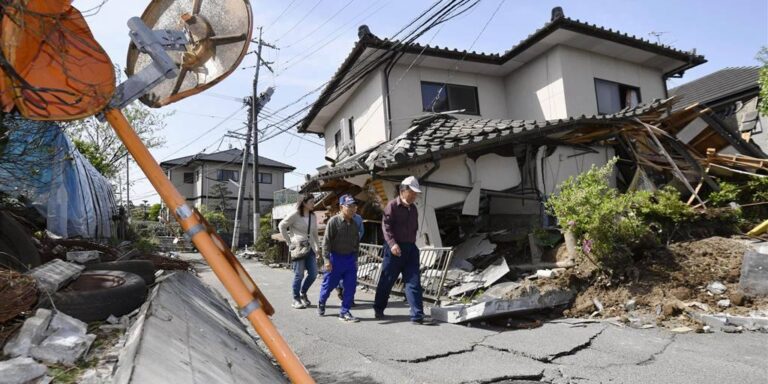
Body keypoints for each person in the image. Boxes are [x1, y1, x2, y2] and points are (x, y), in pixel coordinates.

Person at [374, 176, 434, 325]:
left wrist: (413, 245)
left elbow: (414, 229)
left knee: (414, 282)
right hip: (394, 248)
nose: (414, 196)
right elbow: (386, 227)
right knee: (387, 281)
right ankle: (378, 308)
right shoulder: (392, 206)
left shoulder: (413, 209)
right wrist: (392, 244)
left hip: (410, 249)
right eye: (411, 192)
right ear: (402, 191)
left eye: (416, 193)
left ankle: (417, 316)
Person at [318, 194, 361, 322]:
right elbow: (326, 242)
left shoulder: (355, 224)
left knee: (350, 287)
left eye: (354, 206)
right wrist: (326, 260)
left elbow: (356, 243)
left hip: (350, 259)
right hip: (335, 259)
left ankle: (345, 311)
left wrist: (355, 260)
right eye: (349, 206)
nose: (353, 209)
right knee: (328, 286)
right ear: (342, 207)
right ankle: (321, 302)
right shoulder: (334, 221)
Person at [278, 194, 320, 309]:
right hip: (299, 248)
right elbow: (281, 226)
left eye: (314, 201)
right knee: (299, 274)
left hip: (310, 247)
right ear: (304, 203)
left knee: (313, 273)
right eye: (311, 202)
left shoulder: (313, 216)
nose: (313, 204)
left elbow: (315, 232)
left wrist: (317, 247)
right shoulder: (295, 214)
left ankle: (303, 292)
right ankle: (295, 299)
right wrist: (289, 241)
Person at [336, 213, 364, 303]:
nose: (353, 208)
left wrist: (355, 240)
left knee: (352, 273)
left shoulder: (358, 218)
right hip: (340, 249)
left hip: (353, 249)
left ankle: (349, 298)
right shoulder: (338, 218)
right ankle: (339, 287)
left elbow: (361, 231)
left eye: (355, 206)